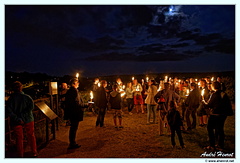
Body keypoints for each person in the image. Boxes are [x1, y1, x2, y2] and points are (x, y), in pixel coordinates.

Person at [5, 81, 38, 157]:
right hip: (28, 119)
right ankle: (34, 152)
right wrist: (23, 115)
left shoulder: (10, 100)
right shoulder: (27, 97)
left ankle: (20, 155)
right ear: (21, 87)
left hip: (16, 121)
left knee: (19, 138)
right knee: (31, 135)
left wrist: (17, 118)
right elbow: (31, 107)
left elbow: (9, 111)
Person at [202, 81, 231, 150]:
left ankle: (212, 145)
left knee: (210, 128)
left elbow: (209, 105)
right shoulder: (224, 94)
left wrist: (203, 101)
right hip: (223, 115)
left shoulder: (214, 94)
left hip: (215, 114)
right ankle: (220, 145)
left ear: (214, 86)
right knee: (220, 129)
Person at [65, 78, 87, 149]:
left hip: (72, 112)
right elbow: (77, 103)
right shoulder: (74, 91)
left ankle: (72, 142)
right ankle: (72, 143)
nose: (78, 84)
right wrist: (86, 105)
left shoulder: (70, 91)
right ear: (74, 84)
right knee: (74, 128)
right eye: (77, 82)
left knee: (73, 128)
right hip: (75, 112)